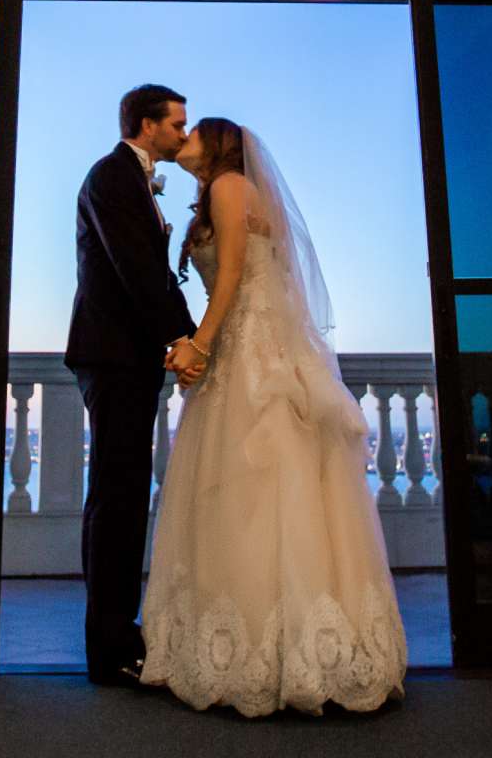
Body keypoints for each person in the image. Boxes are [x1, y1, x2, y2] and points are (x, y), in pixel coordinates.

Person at [140, 115, 408, 716]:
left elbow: (233, 274)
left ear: (219, 145)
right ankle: (247, 641)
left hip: (250, 356)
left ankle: (288, 650)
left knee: (260, 490)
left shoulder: (230, 185)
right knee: (238, 495)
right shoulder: (222, 193)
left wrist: (200, 345)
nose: (184, 140)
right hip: (240, 348)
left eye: (193, 132)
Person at [62, 83, 201, 686]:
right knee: (117, 498)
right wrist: (185, 337)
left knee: (121, 494)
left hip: (126, 356)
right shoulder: (112, 175)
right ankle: (110, 645)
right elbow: (136, 268)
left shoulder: (133, 178)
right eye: (176, 125)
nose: (183, 135)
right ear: (146, 125)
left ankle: (119, 632)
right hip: (114, 355)